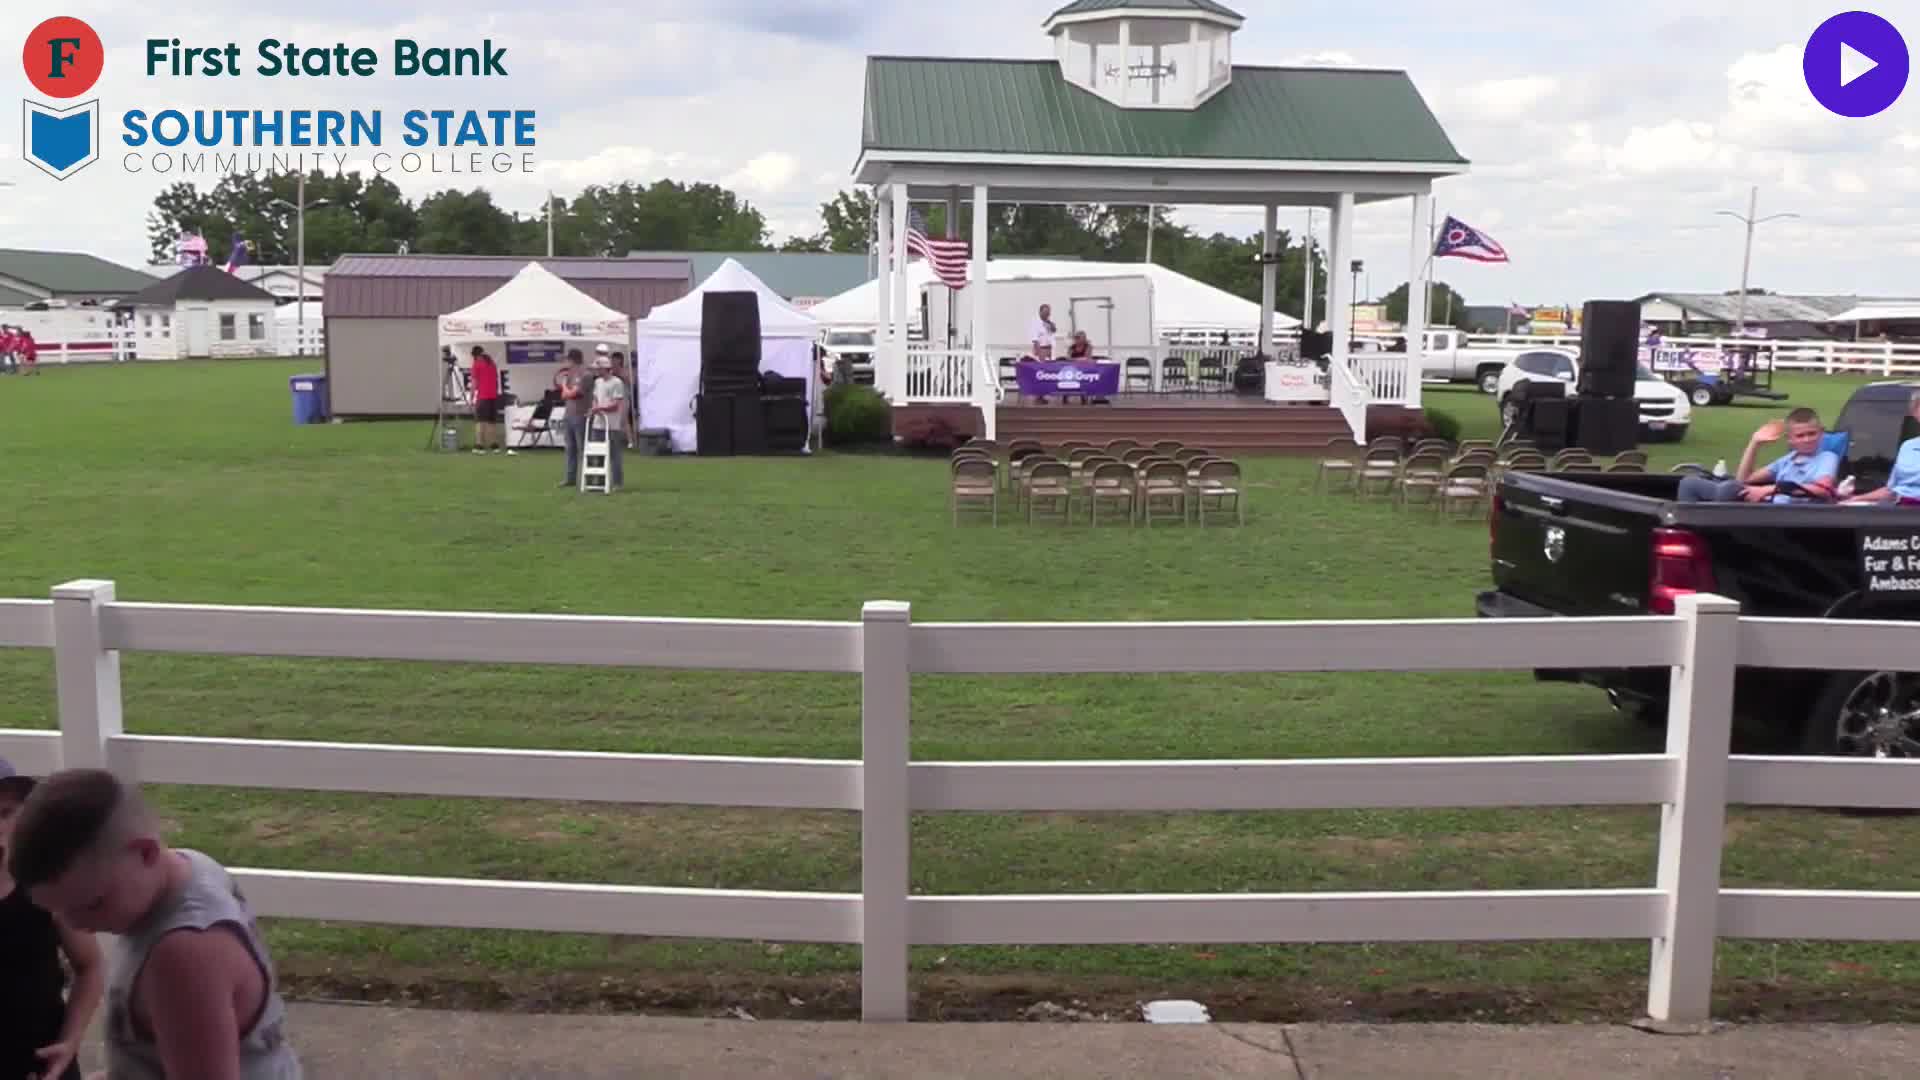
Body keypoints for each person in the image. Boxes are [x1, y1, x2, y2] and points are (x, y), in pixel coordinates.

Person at [6, 769, 301, 1080]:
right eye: (59, 911)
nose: (77, 924)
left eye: (92, 904)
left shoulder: (183, 955)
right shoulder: (189, 866)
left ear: (145, 852)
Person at [0, 760, 103, 1080]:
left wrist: (70, 1041)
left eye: (4, 813)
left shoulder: (42, 885)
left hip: (42, 1065)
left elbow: (90, 965)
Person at [1677, 408, 1839, 504]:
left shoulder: (1826, 457)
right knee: (1689, 483)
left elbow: (1822, 489)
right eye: (1801, 435)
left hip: (1789, 514)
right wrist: (1754, 443)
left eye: (1812, 434)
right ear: (1790, 439)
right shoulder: (1788, 460)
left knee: (1730, 488)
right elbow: (1744, 478)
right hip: (1766, 507)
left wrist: (1768, 490)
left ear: (1821, 433)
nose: (1807, 439)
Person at [1845, 390, 1920, 506]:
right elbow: (1891, 490)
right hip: (1895, 509)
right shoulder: (1907, 447)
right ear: (1915, 413)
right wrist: (1856, 499)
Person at [554, 348, 595, 487]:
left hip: (581, 415)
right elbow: (564, 395)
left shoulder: (586, 374)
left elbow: (575, 394)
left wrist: (566, 389)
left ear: (572, 360)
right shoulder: (569, 374)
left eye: (568, 359)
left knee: (583, 448)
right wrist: (567, 390)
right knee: (570, 448)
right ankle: (570, 478)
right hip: (569, 414)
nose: (567, 362)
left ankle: (588, 477)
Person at [589, 353, 627, 491]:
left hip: (612, 425)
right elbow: (594, 397)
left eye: (598, 369)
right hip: (598, 424)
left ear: (605, 369)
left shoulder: (616, 382)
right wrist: (595, 407)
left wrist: (599, 408)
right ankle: (598, 482)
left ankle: (617, 483)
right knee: (596, 453)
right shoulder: (597, 382)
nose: (596, 371)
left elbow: (616, 404)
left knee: (614, 455)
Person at [469, 345, 504, 454]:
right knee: (491, 422)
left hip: (483, 397)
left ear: (475, 355)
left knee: (480, 422)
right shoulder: (491, 363)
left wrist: (471, 397)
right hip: (493, 397)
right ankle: (494, 446)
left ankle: (479, 446)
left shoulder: (476, 364)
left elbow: (474, 383)